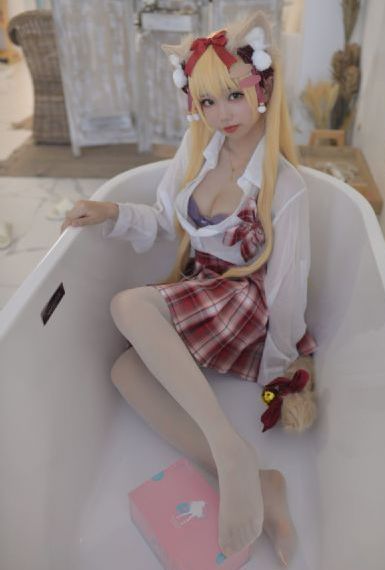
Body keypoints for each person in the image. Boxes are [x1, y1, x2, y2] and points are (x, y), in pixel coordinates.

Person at [61, 11, 317, 566]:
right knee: (123, 371)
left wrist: (278, 366)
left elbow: (289, 284)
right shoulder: (199, 151)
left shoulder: (285, 185)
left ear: (263, 89)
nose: (222, 114)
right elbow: (162, 219)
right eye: (207, 101)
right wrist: (110, 211)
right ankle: (254, 475)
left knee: (127, 304)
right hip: (205, 291)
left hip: (245, 303)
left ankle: (228, 447)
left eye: (234, 96)